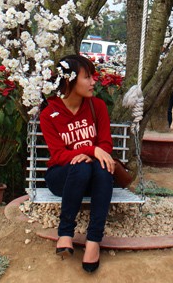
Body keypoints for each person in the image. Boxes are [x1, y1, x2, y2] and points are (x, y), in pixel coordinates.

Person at [40, 54, 115, 274]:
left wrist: (92, 155)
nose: (94, 82)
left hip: (93, 175)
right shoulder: (49, 114)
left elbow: (106, 145)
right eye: (88, 77)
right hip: (61, 176)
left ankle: (94, 240)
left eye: (93, 76)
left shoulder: (97, 106)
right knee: (82, 166)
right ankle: (65, 233)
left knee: (100, 168)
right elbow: (59, 154)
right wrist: (90, 150)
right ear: (69, 81)